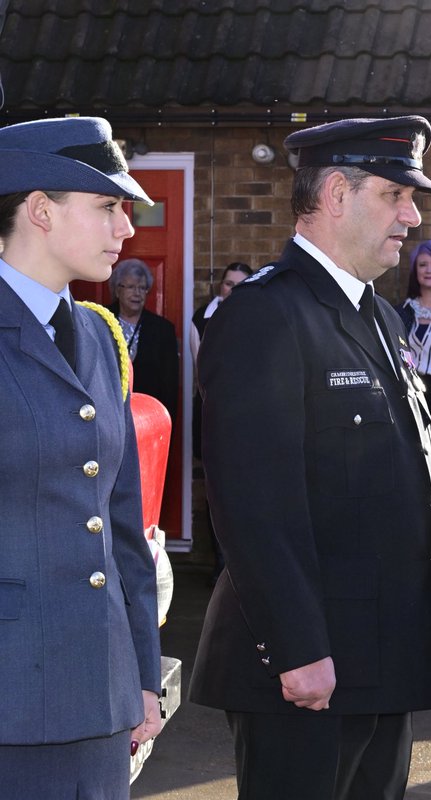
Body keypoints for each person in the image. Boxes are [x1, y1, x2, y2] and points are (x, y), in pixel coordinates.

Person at [188, 116, 431, 800]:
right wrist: (299, 648)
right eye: (396, 194)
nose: (413, 214)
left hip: (381, 656)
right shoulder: (265, 316)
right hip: (308, 669)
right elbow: (254, 507)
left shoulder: (382, 317)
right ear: (337, 193)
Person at [0, 116, 162, 798]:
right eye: (106, 208)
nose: (125, 231)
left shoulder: (97, 337)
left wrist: (143, 677)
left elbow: (119, 523)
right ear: (39, 210)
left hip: (101, 697)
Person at [189, 261, 252, 584]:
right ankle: (221, 565)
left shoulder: (259, 317)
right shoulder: (201, 318)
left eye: (241, 284)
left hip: (252, 420)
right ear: (220, 287)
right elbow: (202, 372)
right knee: (217, 493)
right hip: (214, 415)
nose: (233, 290)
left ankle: (243, 566)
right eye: (228, 283)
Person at [108, 257, 179, 418]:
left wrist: (166, 419)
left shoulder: (163, 329)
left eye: (142, 288)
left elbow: (169, 385)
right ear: (117, 290)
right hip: (109, 412)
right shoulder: (101, 320)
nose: (137, 293)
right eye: (131, 287)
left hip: (147, 415)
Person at [395, 239, 431, 408]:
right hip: (407, 396)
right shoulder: (399, 312)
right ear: (415, 271)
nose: (429, 270)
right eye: (422, 265)